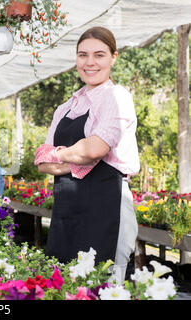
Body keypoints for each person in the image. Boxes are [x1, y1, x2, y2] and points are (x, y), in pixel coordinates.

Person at [35, 26, 140, 285]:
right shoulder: (65, 107)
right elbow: (41, 161)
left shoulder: (118, 97)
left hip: (108, 205)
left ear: (114, 57)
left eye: (99, 55)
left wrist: (62, 155)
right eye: (83, 55)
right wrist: (77, 160)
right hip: (67, 209)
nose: (90, 63)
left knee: (104, 283)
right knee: (64, 282)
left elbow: (95, 150)